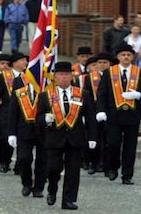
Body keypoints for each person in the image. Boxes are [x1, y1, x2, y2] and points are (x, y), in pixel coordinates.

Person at [37, 61, 97, 210]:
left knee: (73, 171)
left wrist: (92, 137)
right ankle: (52, 188)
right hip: (54, 138)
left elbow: (90, 117)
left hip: (75, 138)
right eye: (60, 75)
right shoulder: (46, 95)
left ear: (71, 76)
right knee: (53, 168)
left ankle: (68, 200)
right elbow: (38, 117)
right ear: (55, 77)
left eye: (66, 75)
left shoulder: (83, 94)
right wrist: (44, 119)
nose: (63, 78)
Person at [95, 44, 141, 185]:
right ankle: (113, 167)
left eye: (128, 55)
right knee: (113, 144)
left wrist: (139, 95)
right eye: (123, 55)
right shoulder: (109, 72)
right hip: (113, 115)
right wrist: (100, 110)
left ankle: (127, 175)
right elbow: (102, 93)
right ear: (118, 57)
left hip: (132, 116)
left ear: (133, 57)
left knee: (130, 147)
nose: (126, 57)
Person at [7, 69, 45, 198]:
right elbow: (12, 112)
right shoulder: (19, 93)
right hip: (24, 130)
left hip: (44, 131)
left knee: (43, 160)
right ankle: (26, 183)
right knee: (23, 158)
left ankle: (39, 187)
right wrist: (11, 133)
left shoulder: (47, 92)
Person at [0, 52, 28, 173]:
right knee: (6, 138)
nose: (25, 62)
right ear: (15, 63)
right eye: (22, 60)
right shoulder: (4, 76)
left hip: (25, 112)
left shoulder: (29, 77)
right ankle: (5, 161)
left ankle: (19, 165)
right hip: (7, 111)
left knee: (23, 139)